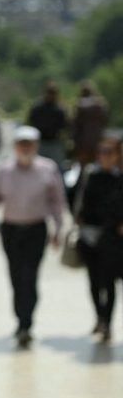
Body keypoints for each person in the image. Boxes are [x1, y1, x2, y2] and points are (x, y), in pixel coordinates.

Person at [0, 126, 66, 347]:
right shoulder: (3, 171)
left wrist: (58, 228)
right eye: (21, 144)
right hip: (11, 231)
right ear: (15, 146)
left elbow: (57, 201)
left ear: (36, 146)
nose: (25, 148)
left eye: (29, 144)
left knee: (30, 277)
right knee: (16, 277)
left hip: (36, 230)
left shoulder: (48, 169)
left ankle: (26, 323)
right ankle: (19, 318)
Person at [77, 135, 123, 343]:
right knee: (94, 281)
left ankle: (107, 322)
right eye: (101, 153)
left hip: (112, 238)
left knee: (109, 282)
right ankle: (99, 317)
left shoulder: (120, 179)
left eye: (109, 153)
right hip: (89, 235)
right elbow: (77, 202)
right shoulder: (89, 176)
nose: (105, 157)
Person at [27, 81, 68, 173]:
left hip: (54, 142)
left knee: (56, 170)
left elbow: (64, 125)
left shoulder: (59, 109)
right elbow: (31, 123)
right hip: (40, 141)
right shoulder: (37, 107)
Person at [72, 82, 111, 169]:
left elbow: (75, 124)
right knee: (100, 165)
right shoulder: (100, 104)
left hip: (83, 142)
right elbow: (105, 121)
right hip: (98, 139)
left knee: (83, 167)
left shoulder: (79, 105)